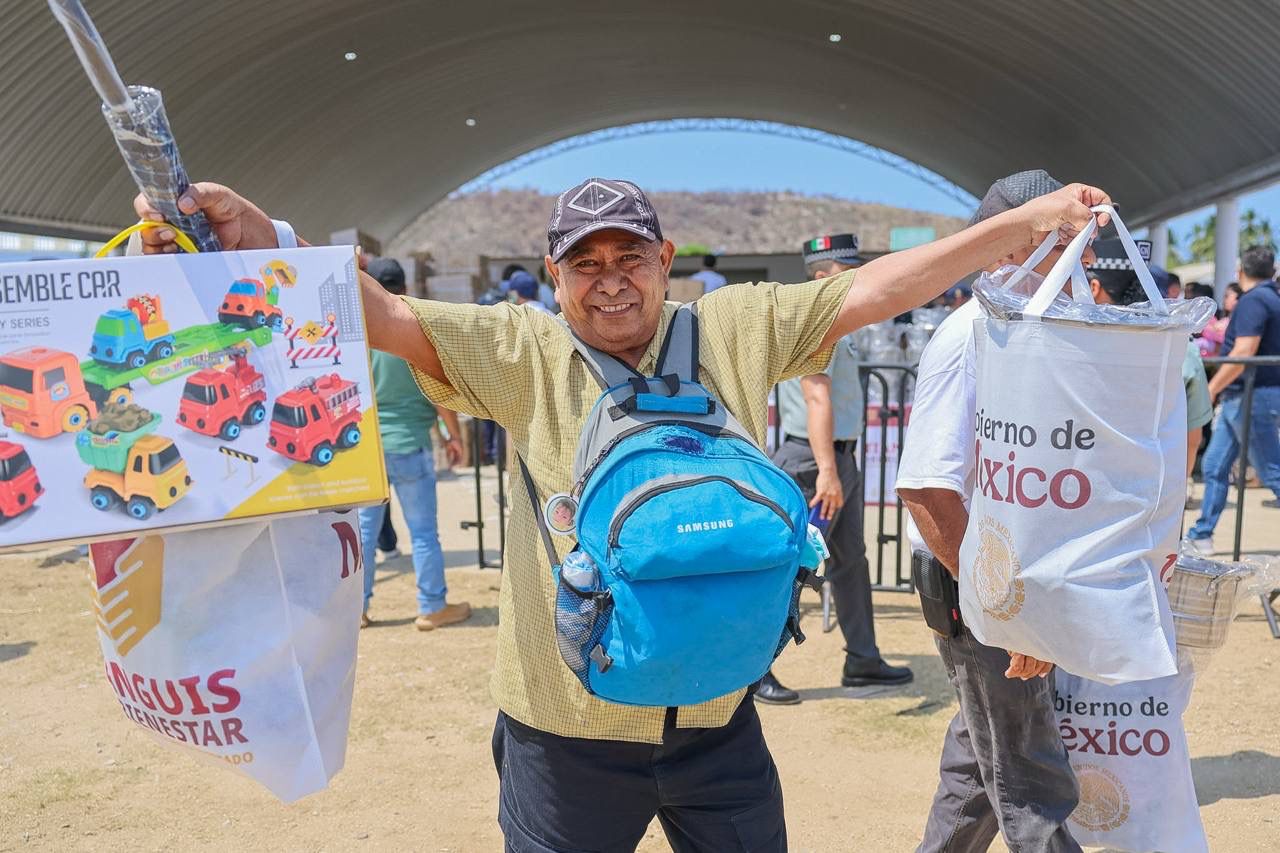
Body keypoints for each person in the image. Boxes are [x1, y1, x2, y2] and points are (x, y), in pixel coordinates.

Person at [135, 175, 1110, 852]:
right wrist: (258, 237)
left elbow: (876, 288)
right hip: (565, 734)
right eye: (583, 260)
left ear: (663, 258)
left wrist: (1018, 227)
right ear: (553, 273)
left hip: (715, 718)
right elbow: (380, 315)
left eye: (628, 255)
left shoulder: (732, 326)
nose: (608, 277)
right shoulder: (521, 351)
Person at [896, 170, 1084, 853]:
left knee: (981, 761)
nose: (1074, 256)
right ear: (1001, 248)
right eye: (1052, 238)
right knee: (1033, 782)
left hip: (1011, 583)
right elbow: (926, 491)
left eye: (1075, 240)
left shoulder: (1033, 327)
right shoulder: (969, 336)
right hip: (981, 589)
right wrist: (1007, 609)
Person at [757, 232, 912, 706]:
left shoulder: (836, 322)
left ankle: (862, 659)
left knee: (851, 562)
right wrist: (827, 470)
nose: (859, 277)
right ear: (823, 276)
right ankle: (756, 669)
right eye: (850, 270)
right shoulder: (813, 320)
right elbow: (815, 397)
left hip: (834, 456)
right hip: (812, 460)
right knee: (786, 569)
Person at [358, 258, 470, 630]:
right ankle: (432, 606)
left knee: (364, 534)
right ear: (405, 288)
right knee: (423, 532)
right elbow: (438, 391)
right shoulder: (412, 330)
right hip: (411, 444)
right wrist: (453, 435)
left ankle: (356, 609)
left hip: (369, 449)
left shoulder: (359, 333)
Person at [1086, 238, 1213, 477]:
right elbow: (1191, 439)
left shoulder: (1075, 346)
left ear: (1094, 287)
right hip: (1154, 496)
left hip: (1078, 491)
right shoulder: (1181, 346)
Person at [1186, 245, 1280, 552]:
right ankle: (1202, 535)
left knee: (1272, 472)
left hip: (1250, 396)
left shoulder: (1254, 301)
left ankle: (1202, 534)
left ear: (1241, 271)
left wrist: (1211, 390)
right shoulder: (1272, 298)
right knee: (1214, 465)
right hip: (1243, 396)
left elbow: (1243, 353)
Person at [1201, 282, 1243, 357]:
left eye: (1227, 296)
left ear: (1238, 299)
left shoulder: (1236, 321)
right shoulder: (1225, 319)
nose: (1224, 300)